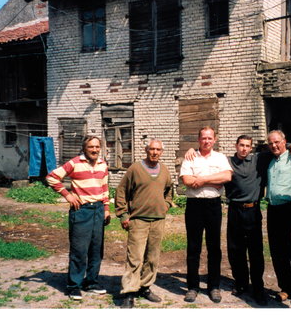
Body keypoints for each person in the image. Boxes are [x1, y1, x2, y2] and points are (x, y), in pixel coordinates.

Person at [184, 135, 291, 306]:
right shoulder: (227, 161)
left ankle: (258, 289)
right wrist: (192, 150)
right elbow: (212, 164)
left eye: (248, 146)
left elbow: (279, 146)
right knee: (235, 250)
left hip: (253, 210)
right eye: (241, 145)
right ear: (236, 145)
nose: (244, 149)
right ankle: (241, 284)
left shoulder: (259, 159)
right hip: (234, 210)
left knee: (255, 252)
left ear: (251, 147)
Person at [46, 135, 111, 301]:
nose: (94, 150)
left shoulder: (103, 164)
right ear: (84, 148)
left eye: (97, 147)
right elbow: (52, 177)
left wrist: (106, 208)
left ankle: (91, 282)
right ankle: (74, 286)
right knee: (79, 250)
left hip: (98, 210)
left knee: (96, 249)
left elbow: (104, 187)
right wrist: (67, 195)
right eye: (91, 147)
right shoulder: (74, 163)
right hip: (81, 211)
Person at [115, 139, 174, 308]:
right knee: (134, 257)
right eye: (152, 149)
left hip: (158, 220)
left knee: (152, 257)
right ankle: (129, 292)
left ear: (162, 151)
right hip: (138, 220)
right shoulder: (135, 168)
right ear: (146, 149)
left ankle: (145, 287)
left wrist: (166, 205)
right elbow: (120, 191)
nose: (155, 152)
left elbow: (170, 190)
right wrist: (123, 214)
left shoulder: (164, 170)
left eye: (158, 150)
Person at [179, 126, 233, 303]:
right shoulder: (190, 156)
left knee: (214, 247)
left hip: (213, 205)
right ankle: (193, 287)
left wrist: (202, 179)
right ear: (198, 139)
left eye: (210, 138)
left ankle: (213, 287)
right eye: (203, 138)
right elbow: (186, 180)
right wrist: (213, 181)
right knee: (193, 248)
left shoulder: (220, 157)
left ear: (214, 140)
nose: (206, 141)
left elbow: (226, 177)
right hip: (194, 206)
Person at [265, 130, 291, 306]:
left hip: (289, 210)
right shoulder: (271, 160)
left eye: (277, 142)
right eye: (271, 143)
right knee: (277, 251)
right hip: (273, 210)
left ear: (284, 141)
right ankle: (285, 288)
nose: (274, 145)